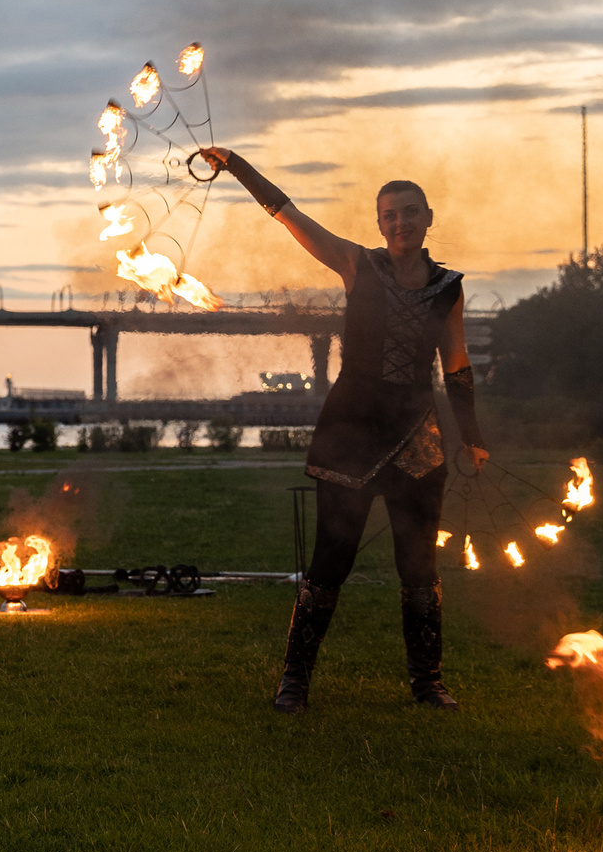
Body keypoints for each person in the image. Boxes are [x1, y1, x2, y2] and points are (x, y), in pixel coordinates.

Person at [197, 148, 487, 712]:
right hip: (351, 432)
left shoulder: (448, 288)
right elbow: (288, 214)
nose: (400, 223)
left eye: (410, 212)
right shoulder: (357, 265)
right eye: (389, 216)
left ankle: (428, 683)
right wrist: (235, 165)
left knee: (419, 567)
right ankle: (295, 681)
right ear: (379, 225)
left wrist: (471, 437)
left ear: (429, 218)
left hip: (418, 439)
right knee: (331, 561)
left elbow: (456, 364)